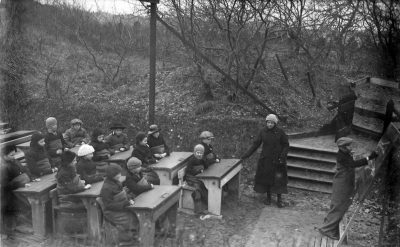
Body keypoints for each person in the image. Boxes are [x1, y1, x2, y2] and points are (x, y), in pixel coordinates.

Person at [317, 137, 378, 240]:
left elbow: (351, 159)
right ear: (343, 147)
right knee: (339, 206)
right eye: (349, 145)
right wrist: (369, 158)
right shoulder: (342, 155)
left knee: (339, 205)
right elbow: (353, 164)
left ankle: (329, 226)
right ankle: (326, 230)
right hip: (342, 182)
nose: (351, 147)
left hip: (344, 181)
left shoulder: (344, 153)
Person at [241, 114, 289, 208]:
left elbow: (286, 145)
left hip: (278, 160)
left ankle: (279, 200)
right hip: (266, 160)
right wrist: (245, 155)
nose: (270, 124)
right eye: (268, 122)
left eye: (272, 123)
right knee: (267, 179)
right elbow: (255, 145)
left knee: (278, 180)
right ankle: (268, 198)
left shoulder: (280, 132)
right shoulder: (263, 132)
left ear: (275, 123)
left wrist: (282, 157)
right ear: (266, 122)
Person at [100, 164, 138, 246]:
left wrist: (129, 198)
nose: (120, 175)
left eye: (120, 173)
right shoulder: (106, 188)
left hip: (120, 208)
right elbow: (108, 205)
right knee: (129, 219)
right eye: (117, 174)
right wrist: (125, 203)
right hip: (111, 212)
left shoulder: (116, 182)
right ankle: (125, 242)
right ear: (111, 175)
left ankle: (131, 238)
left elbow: (122, 193)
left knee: (135, 216)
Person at [1, 145, 31, 237]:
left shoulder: (14, 162)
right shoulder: (3, 167)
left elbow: (25, 170)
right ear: (4, 156)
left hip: (17, 190)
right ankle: (12, 229)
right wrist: (20, 183)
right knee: (23, 205)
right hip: (7, 194)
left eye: (14, 155)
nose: (13, 157)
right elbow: (5, 185)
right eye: (11, 155)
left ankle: (22, 225)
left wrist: (30, 177)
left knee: (27, 204)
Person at [184, 144, 209, 214]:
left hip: (197, 177)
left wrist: (204, 160)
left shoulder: (202, 159)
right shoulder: (192, 160)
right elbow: (188, 170)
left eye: (201, 153)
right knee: (197, 189)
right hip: (190, 178)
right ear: (195, 153)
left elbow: (206, 166)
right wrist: (197, 171)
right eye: (198, 153)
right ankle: (198, 210)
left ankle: (206, 206)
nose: (199, 155)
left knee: (204, 186)